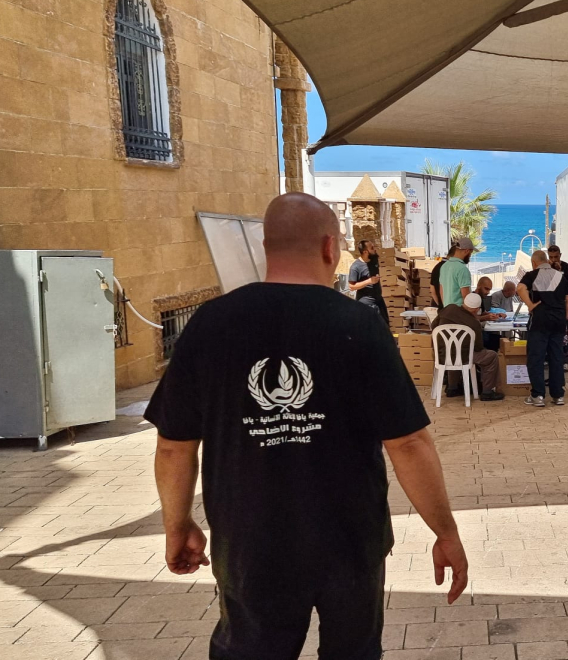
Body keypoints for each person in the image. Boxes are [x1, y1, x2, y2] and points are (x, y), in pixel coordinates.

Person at [147, 193, 468, 659]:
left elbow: (173, 447)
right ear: (329, 248)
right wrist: (445, 532)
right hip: (350, 539)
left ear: (266, 245)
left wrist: (177, 525)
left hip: (249, 541)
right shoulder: (359, 324)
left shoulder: (210, 323)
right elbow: (409, 443)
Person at [517, 250, 568, 407]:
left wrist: (530, 305)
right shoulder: (560, 276)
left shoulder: (532, 275)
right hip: (558, 321)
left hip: (540, 321)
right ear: (547, 261)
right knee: (556, 357)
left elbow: (520, 288)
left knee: (536, 357)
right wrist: (565, 315)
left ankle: (538, 395)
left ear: (534, 263)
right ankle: (558, 395)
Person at [434, 292, 505, 402]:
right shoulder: (474, 323)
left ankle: (452, 388)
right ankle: (487, 392)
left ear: (464, 302)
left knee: (453, 350)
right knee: (491, 356)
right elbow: (478, 347)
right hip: (463, 357)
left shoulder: (449, 308)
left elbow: (434, 326)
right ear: (477, 309)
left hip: (441, 354)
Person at [548, 245, 568, 371]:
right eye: (551, 257)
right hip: (551, 306)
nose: (553, 259)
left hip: (565, 305)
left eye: (556, 256)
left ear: (560, 255)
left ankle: (567, 359)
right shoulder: (545, 269)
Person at [348, 239, 388, 324]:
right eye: (372, 248)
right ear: (365, 252)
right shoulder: (356, 267)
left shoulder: (374, 260)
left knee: (385, 327)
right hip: (366, 304)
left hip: (379, 301)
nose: (374, 249)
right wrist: (369, 281)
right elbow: (351, 286)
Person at [440, 237, 476, 307]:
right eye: (470, 253)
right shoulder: (462, 269)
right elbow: (466, 297)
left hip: (447, 309)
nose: (470, 256)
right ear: (466, 251)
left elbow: (441, 291)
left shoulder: (444, 266)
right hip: (459, 310)